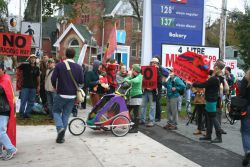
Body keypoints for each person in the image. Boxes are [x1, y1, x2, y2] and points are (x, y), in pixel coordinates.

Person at [51, 48, 84, 144]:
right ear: (74, 56)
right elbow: (82, 81)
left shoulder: (59, 65)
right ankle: (61, 137)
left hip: (61, 93)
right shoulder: (78, 67)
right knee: (66, 114)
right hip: (72, 95)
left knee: (56, 111)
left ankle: (60, 128)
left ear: (65, 55)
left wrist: (55, 87)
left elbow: (53, 79)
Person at [191, 60, 225, 143]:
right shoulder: (219, 77)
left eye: (214, 66)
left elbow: (203, 85)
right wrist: (200, 66)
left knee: (213, 118)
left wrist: (193, 83)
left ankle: (219, 136)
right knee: (209, 118)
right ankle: (208, 135)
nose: (213, 67)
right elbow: (208, 71)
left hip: (211, 101)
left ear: (217, 67)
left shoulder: (214, 79)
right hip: (211, 100)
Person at [0, 62, 17, 160]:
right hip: (2, 109)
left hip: (4, 110)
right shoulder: (3, 78)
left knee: (1, 132)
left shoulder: (5, 79)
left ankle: (11, 149)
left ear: (2, 70)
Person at [18, 54, 40, 118]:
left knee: (31, 101)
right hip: (25, 86)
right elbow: (17, 66)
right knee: (23, 101)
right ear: (29, 59)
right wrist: (15, 58)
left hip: (33, 87)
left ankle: (27, 113)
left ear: (35, 59)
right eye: (31, 58)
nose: (33, 59)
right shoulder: (25, 65)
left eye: (34, 58)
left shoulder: (37, 68)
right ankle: (21, 114)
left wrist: (38, 85)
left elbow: (38, 77)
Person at [140, 58, 159, 127]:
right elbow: (144, 78)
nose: (153, 64)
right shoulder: (146, 69)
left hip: (153, 92)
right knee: (143, 106)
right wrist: (144, 86)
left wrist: (158, 71)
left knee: (152, 107)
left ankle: (151, 121)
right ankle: (142, 119)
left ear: (157, 64)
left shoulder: (158, 71)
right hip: (145, 90)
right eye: (152, 62)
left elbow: (159, 81)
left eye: (155, 63)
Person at [124, 64, 143, 133]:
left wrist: (128, 81)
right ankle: (131, 124)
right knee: (127, 110)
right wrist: (127, 79)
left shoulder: (139, 76)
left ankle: (136, 128)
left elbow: (136, 81)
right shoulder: (133, 76)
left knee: (136, 112)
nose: (131, 71)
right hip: (131, 96)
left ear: (135, 71)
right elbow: (125, 78)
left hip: (137, 95)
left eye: (132, 69)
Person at [239, 68, 250, 166]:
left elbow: (241, 94)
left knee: (245, 131)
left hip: (247, 108)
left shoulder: (246, 79)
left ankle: (248, 150)